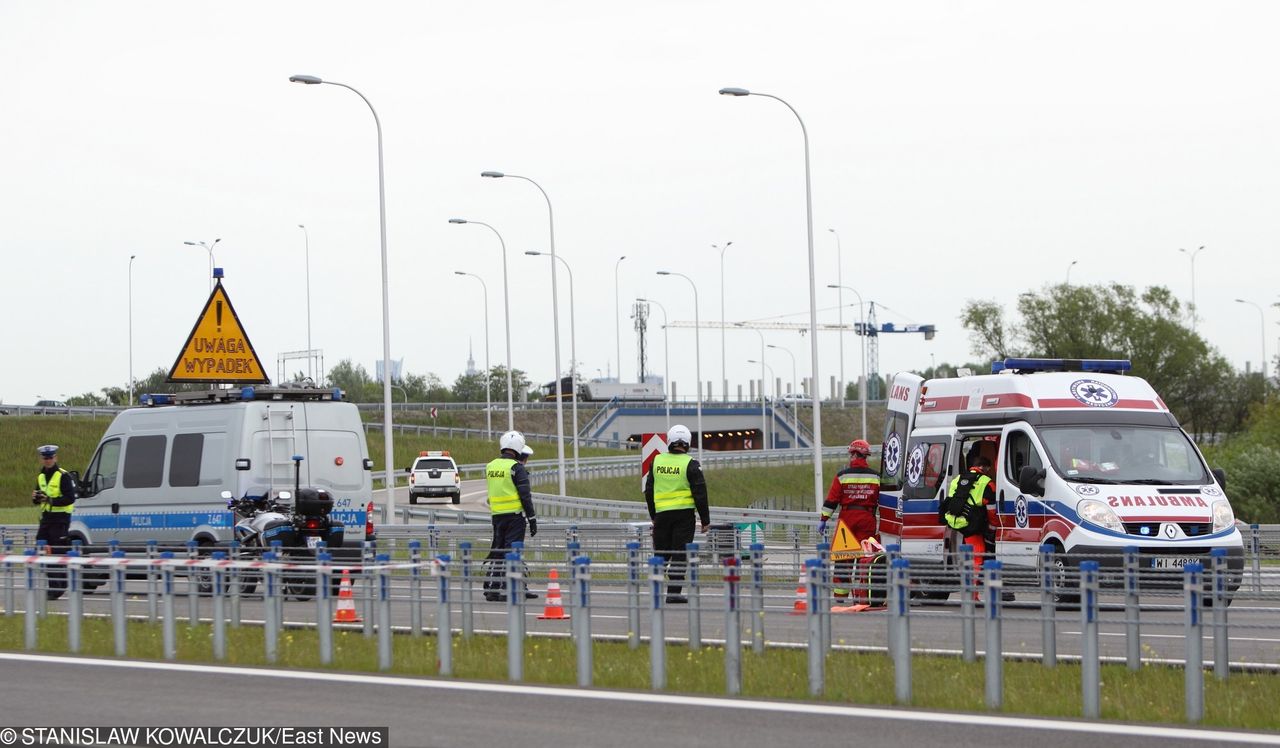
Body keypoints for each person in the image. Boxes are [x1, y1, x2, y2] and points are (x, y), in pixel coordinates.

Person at [643, 424, 710, 604]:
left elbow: (648, 491)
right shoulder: (691, 464)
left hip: (662, 515)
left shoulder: (656, 461)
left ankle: (655, 590)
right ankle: (673, 592)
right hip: (684, 517)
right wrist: (705, 520)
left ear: (669, 442)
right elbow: (700, 494)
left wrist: (653, 515)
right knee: (680, 554)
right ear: (688, 443)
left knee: (661, 553)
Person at [820, 439, 880, 599]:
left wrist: (824, 518)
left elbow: (832, 500)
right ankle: (863, 595)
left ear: (854, 454)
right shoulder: (876, 477)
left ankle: (841, 595)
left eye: (851, 454)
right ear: (865, 456)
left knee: (844, 560)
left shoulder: (842, 476)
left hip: (847, 520)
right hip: (867, 519)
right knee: (865, 559)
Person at [483, 430, 539, 602]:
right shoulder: (516, 468)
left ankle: (493, 588)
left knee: (498, 551)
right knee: (513, 552)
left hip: (497, 516)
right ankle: (511, 587)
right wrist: (532, 518)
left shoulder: (490, 466)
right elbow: (525, 496)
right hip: (515, 517)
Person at [941, 455, 996, 599]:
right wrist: (993, 525)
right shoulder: (987, 482)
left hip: (958, 522)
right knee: (977, 557)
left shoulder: (957, 479)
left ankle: (972, 594)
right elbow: (990, 507)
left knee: (969, 555)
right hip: (973, 524)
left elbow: (952, 498)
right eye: (988, 468)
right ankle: (971, 594)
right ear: (984, 467)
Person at [33, 444, 77, 599]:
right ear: (42, 459)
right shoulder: (41, 476)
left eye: (51, 457)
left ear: (55, 458)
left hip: (60, 520)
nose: (48, 460)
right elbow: (40, 498)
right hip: (46, 519)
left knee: (57, 552)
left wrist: (50, 500)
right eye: (45, 458)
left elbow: (70, 498)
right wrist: (36, 498)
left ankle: (56, 588)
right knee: (41, 548)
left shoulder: (63, 475)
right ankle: (57, 583)